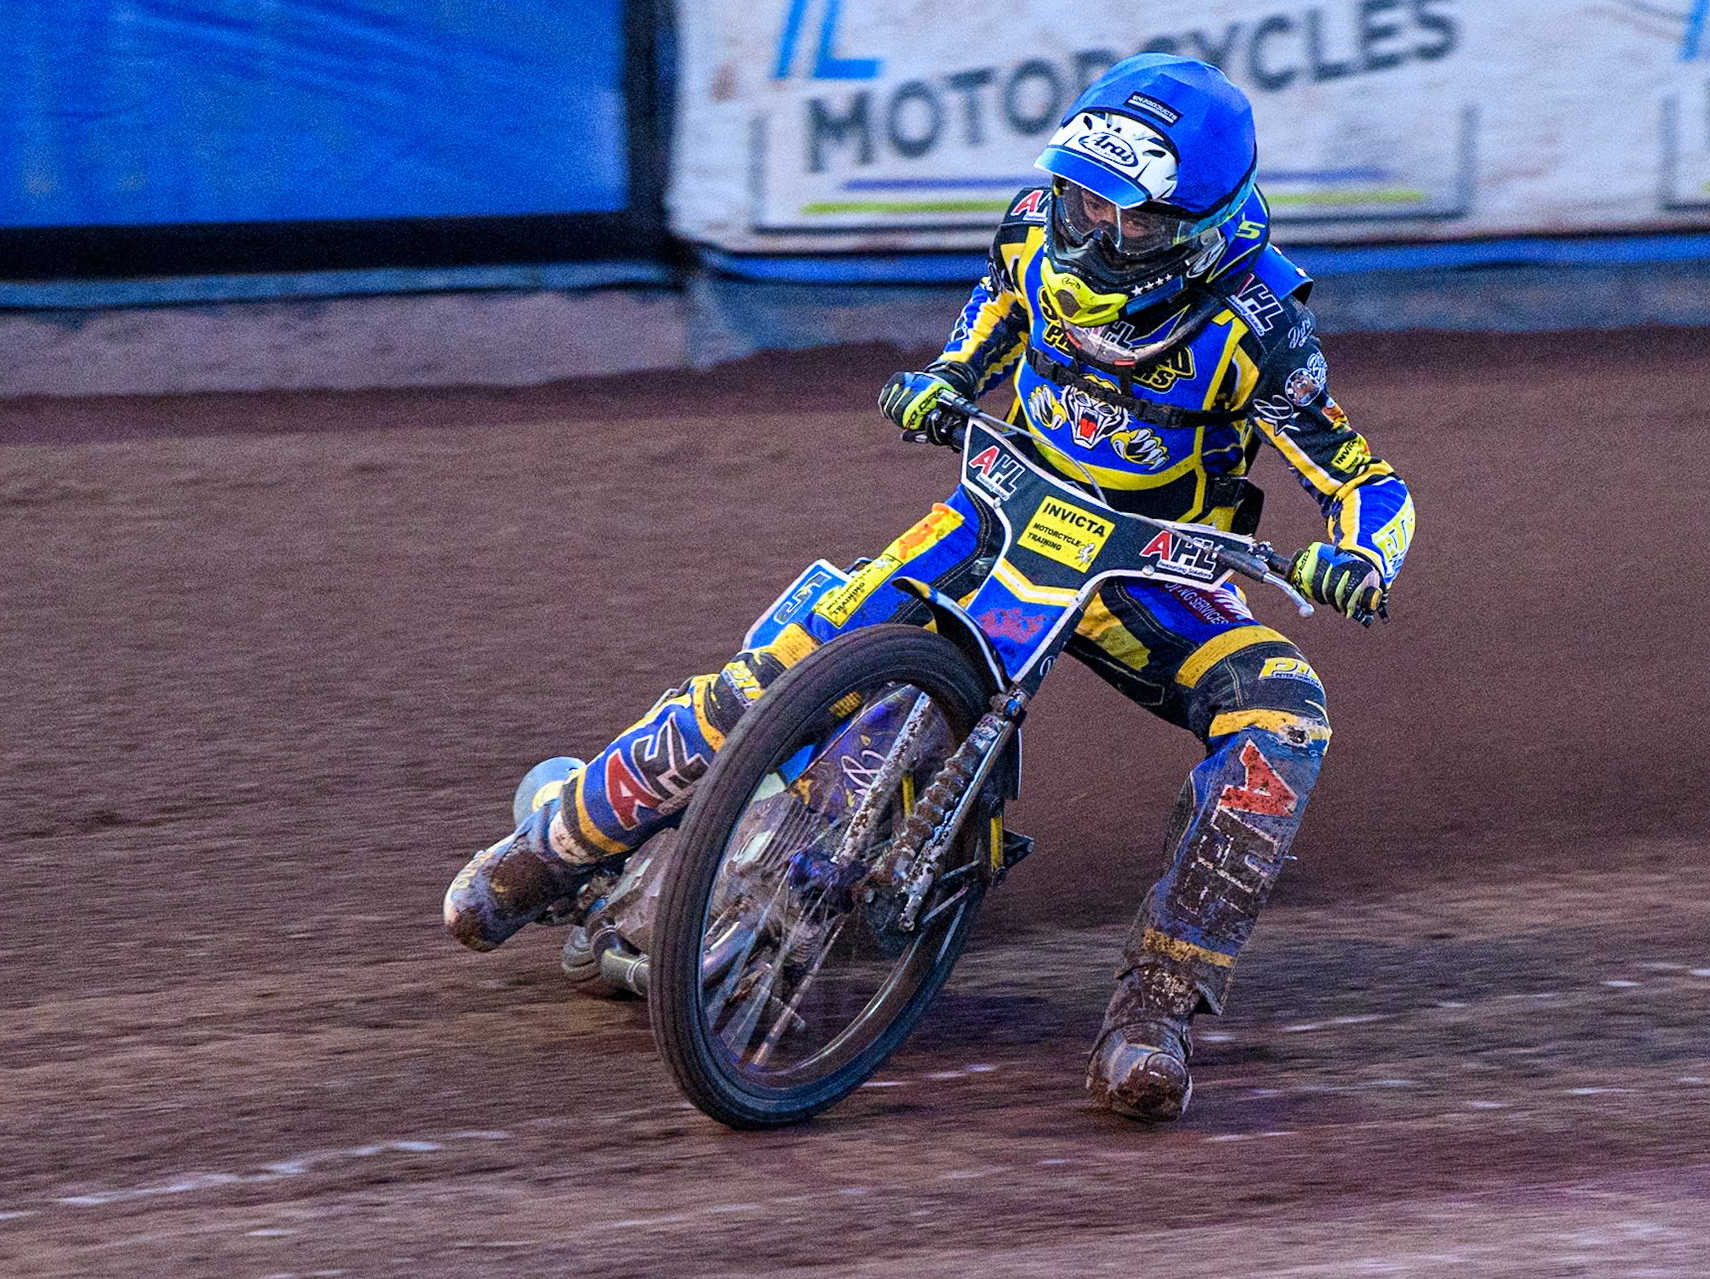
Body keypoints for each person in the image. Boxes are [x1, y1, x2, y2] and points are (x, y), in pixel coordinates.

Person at [444, 53, 1415, 1122]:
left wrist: (1363, 555)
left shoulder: (1259, 323)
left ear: (1195, 230)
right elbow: (995, 312)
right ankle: (549, 846)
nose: (1084, 227)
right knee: (771, 673)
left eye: (1118, 216)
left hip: (1152, 571)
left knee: (1288, 719)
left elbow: (1363, 478)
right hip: (995, 514)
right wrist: (950, 377)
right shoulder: (1035, 230)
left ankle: (1158, 1002)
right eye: (1076, 194)